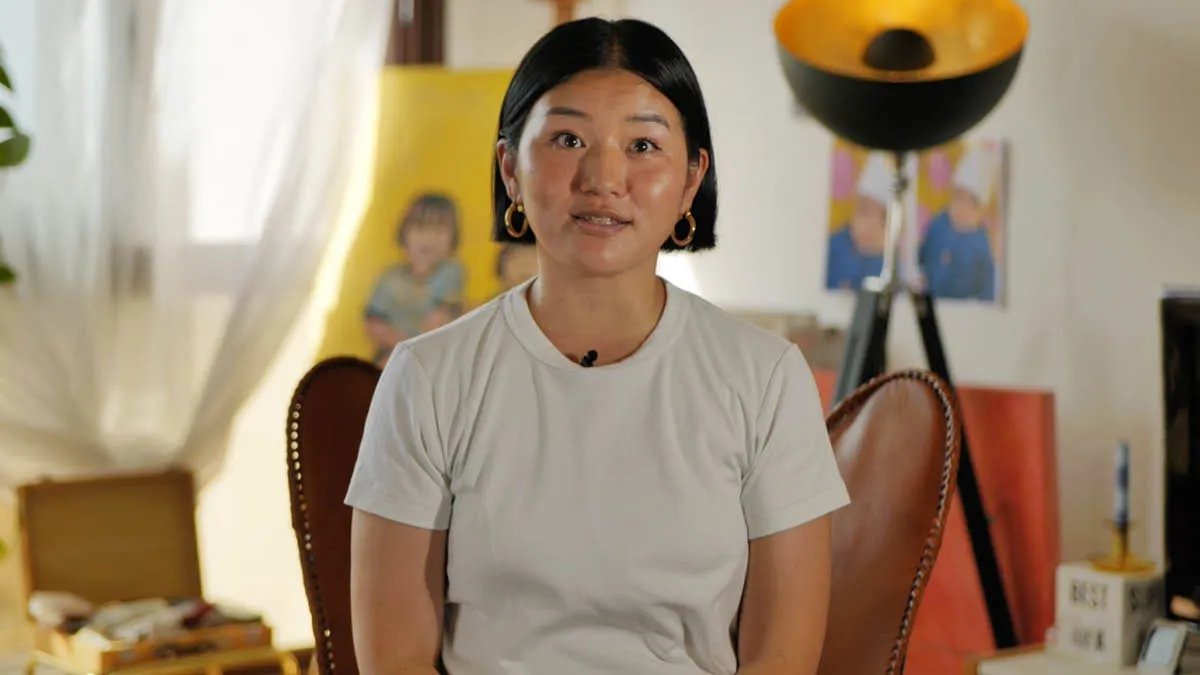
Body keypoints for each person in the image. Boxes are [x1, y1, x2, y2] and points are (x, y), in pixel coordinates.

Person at [346, 17, 849, 675]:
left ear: (691, 179)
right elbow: (397, 660)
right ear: (511, 169)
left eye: (643, 145)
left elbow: (781, 658)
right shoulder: (427, 377)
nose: (604, 176)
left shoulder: (764, 376)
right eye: (567, 138)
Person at [362, 193, 466, 365]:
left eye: (439, 230)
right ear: (403, 234)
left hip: (433, 353)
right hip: (395, 352)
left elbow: (441, 317)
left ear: (453, 239)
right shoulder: (390, 278)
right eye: (420, 228)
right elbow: (373, 322)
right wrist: (401, 345)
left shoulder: (451, 272)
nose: (429, 237)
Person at [918, 144, 998, 301]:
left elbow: (987, 282)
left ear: (981, 211)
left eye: (971, 205)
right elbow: (923, 251)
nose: (962, 210)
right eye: (958, 200)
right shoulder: (939, 223)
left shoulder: (980, 242)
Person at [825, 151, 891, 290]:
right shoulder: (834, 246)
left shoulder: (890, 265)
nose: (868, 226)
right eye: (863, 211)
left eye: (884, 219)